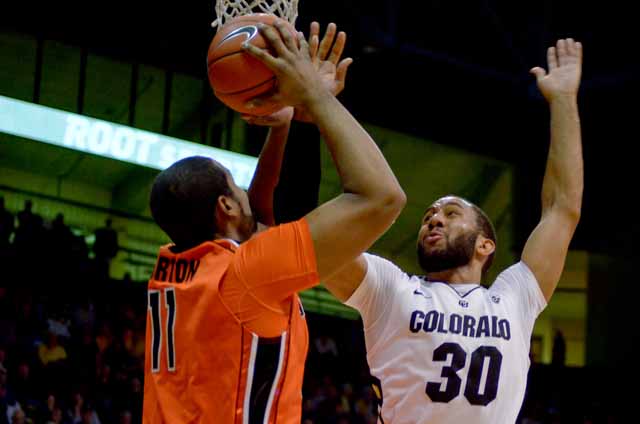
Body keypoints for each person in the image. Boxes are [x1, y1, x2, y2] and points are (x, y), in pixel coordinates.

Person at [142, 20, 405, 424]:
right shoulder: (248, 276)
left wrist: (287, 123)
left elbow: (259, 218)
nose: (248, 192)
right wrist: (315, 96)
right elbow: (382, 197)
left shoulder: (176, 268)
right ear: (226, 208)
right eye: (237, 187)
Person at [315, 38, 583, 423]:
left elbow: (562, 209)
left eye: (451, 213)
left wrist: (564, 101)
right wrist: (316, 108)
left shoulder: (514, 297)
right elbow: (318, 243)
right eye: (429, 216)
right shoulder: (390, 289)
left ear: (485, 245)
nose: (434, 219)